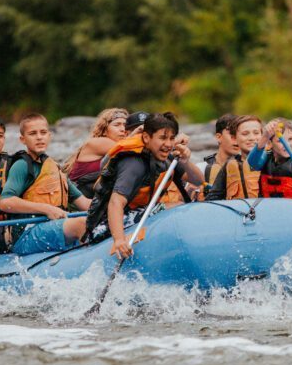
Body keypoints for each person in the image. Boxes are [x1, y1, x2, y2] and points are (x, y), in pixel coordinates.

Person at [84, 112, 204, 258]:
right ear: (147, 137)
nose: (168, 144)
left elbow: (198, 181)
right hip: (104, 225)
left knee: (186, 205)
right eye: (162, 138)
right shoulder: (134, 163)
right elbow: (116, 202)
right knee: (176, 207)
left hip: (137, 213)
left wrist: (185, 161)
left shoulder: (166, 157)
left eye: (172, 138)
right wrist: (120, 240)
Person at [0, 113, 91, 258]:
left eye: (43, 133)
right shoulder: (22, 166)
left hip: (53, 228)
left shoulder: (54, 169)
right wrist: (46, 209)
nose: (39, 137)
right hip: (26, 235)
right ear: (23, 139)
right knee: (81, 224)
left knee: (95, 222)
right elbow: (5, 202)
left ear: (49, 136)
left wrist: (117, 205)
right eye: (33, 133)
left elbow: (84, 204)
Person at [62, 108, 128, 197]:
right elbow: (129, 151)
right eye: (117, 125)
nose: (123, 129)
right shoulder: (98, 142)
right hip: (77, 200)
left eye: (126, 125)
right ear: (104, 131)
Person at [205, 115, 263, 201]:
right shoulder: (229, 166)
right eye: (245, 134)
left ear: (263, 136)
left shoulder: (272, 162)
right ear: (234, 138)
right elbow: (213, 197)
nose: (251, 138)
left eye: (256, 133)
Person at [197, 113, 239, 190]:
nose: (237, 140)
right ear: (218, 137)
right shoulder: (201, 169)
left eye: (240, 134)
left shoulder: (249, 167)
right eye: (232, 135)